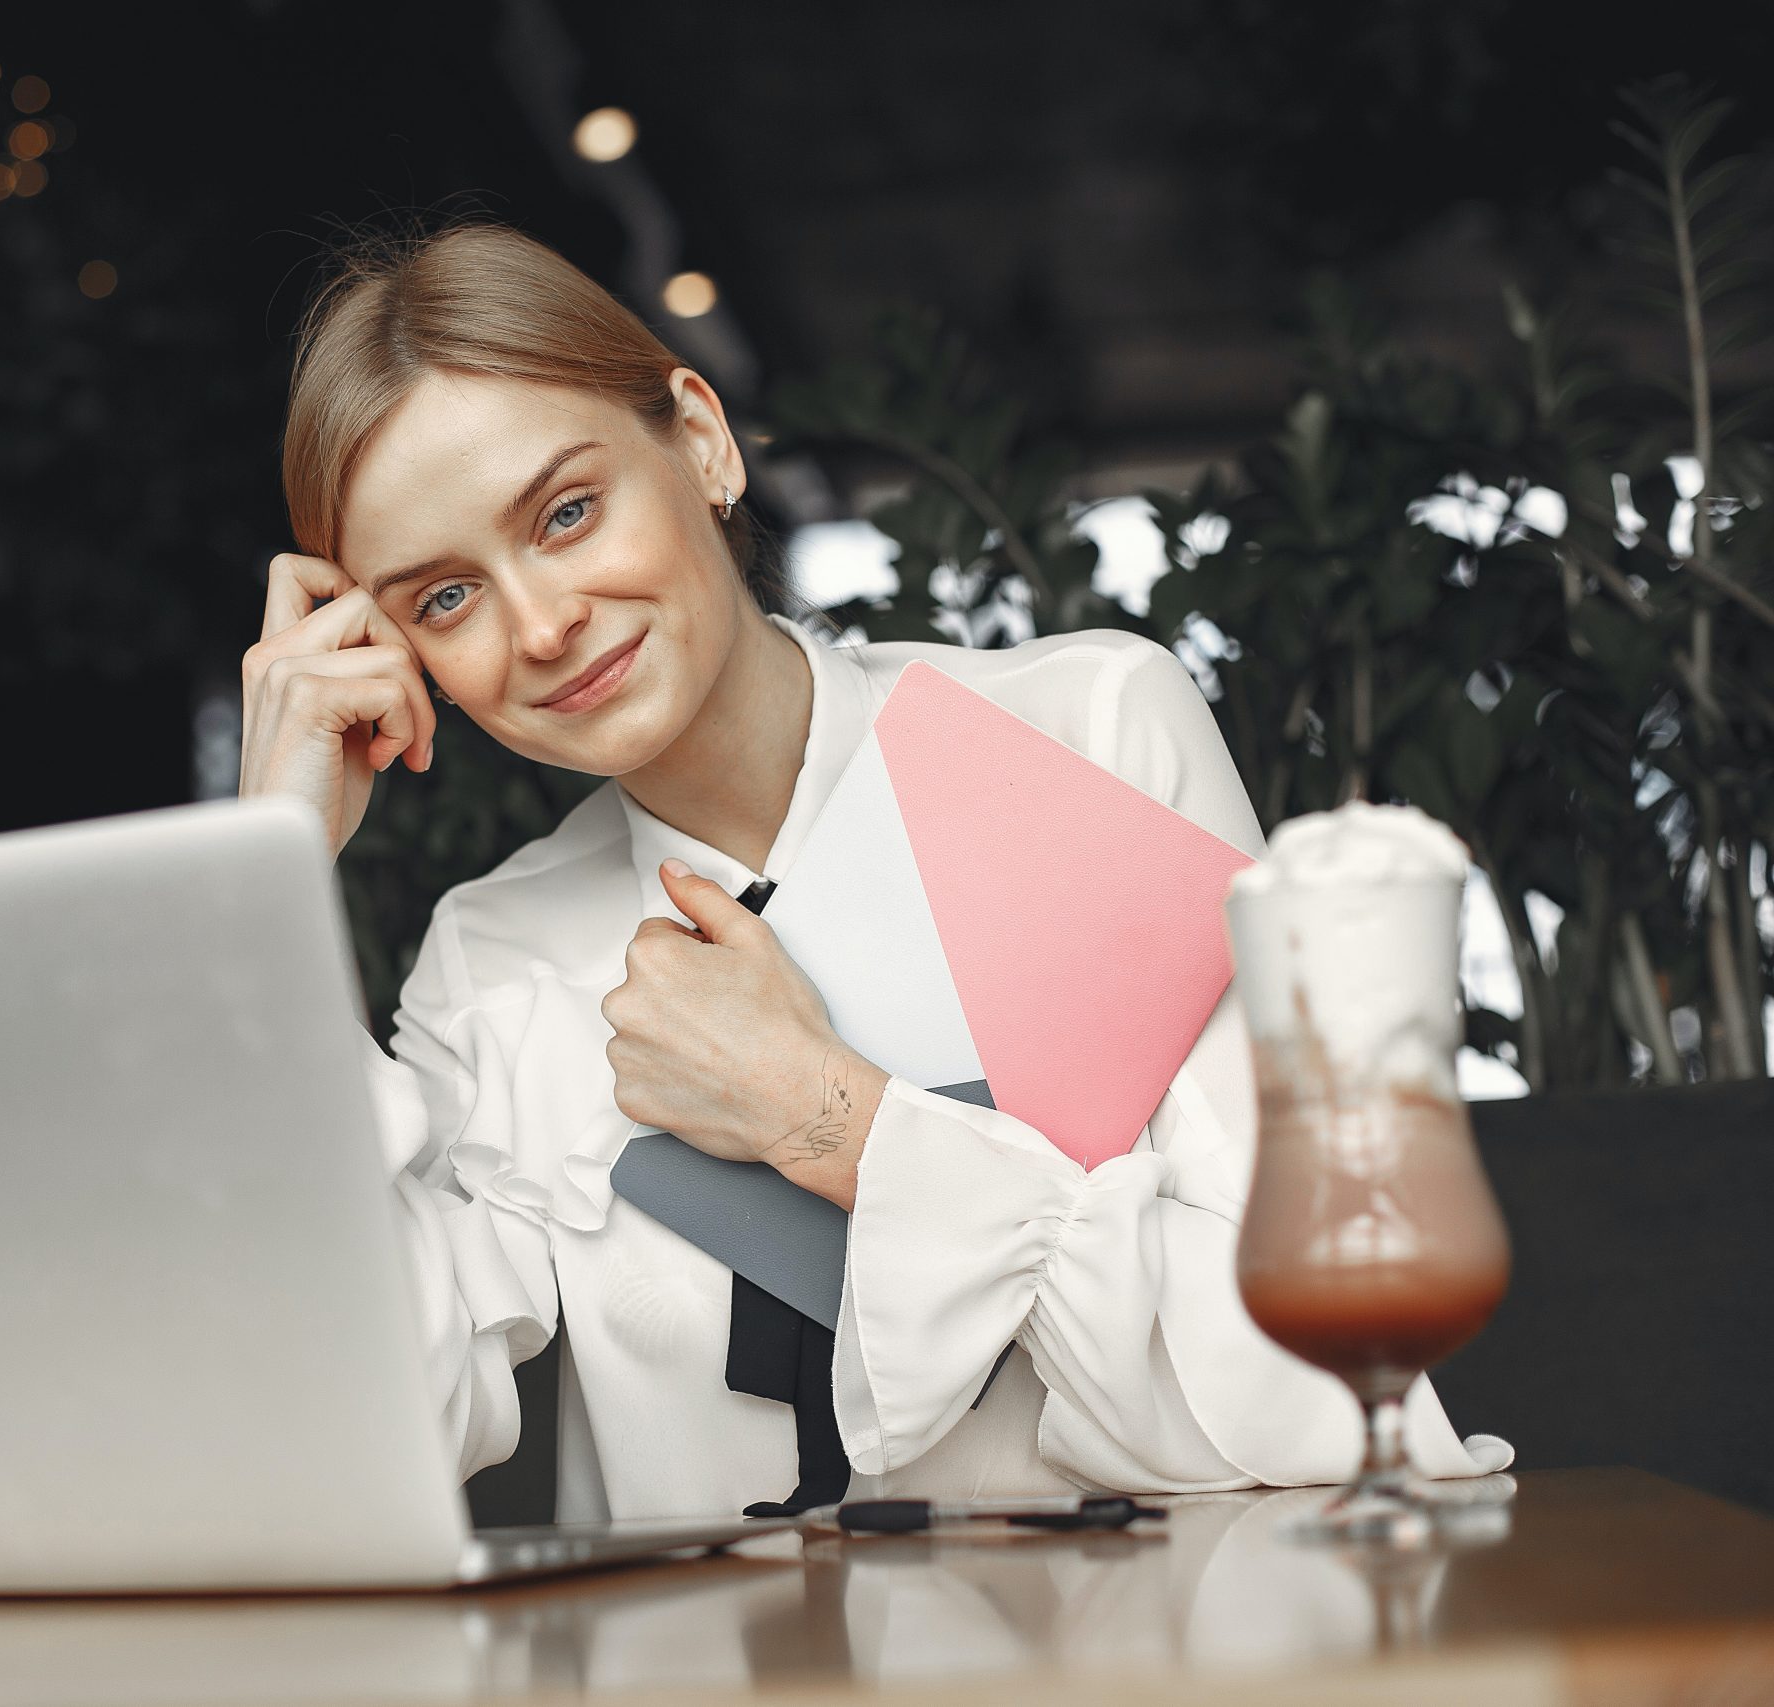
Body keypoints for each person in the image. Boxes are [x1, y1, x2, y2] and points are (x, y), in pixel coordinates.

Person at [240, 219, 1512, 1521]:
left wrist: (827, 1119)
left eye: (567, 513)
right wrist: (265, 889)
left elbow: (1319, 1395)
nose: (543, 624)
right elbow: (376, 1436)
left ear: (701, 439)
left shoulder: (1079, 734)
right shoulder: (496, 956)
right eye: (443, 599)